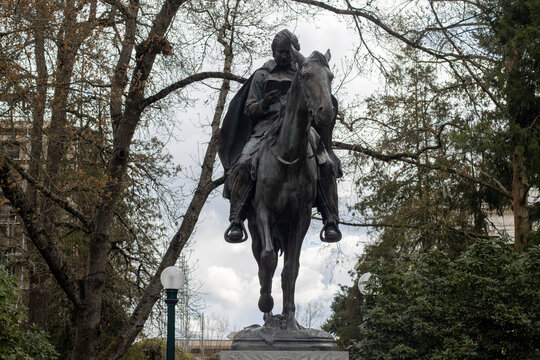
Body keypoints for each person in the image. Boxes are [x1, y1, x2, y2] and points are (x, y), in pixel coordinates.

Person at [218, 29, 342, 244]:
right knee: (245, 162)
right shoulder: (262, 75)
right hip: (265, 127)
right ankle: (237, 219)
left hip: (301, 129)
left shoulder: (303, 72)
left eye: (287, 53)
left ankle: (330, 219)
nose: (282, 56)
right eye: (279, 52)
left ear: (294, 53)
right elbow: (248, 109)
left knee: (327, 164)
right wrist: (263, 104)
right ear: (273, 51)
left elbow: (315, 96)